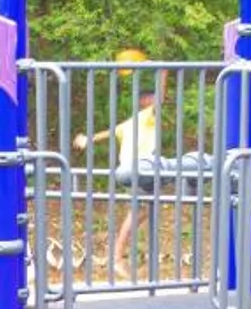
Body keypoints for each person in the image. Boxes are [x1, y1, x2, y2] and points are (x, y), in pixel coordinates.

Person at [73, 88, 209, 281]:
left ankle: (124, 255)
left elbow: (107, 133)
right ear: (145, 101)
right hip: (140, 170)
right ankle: (117, 258)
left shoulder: (130, 122)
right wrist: (163, 73)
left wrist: (87, 139)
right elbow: (161, 97)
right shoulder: (146, 116)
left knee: (143, 210)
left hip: (129, 171)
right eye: (152, 99)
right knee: (139, 211)